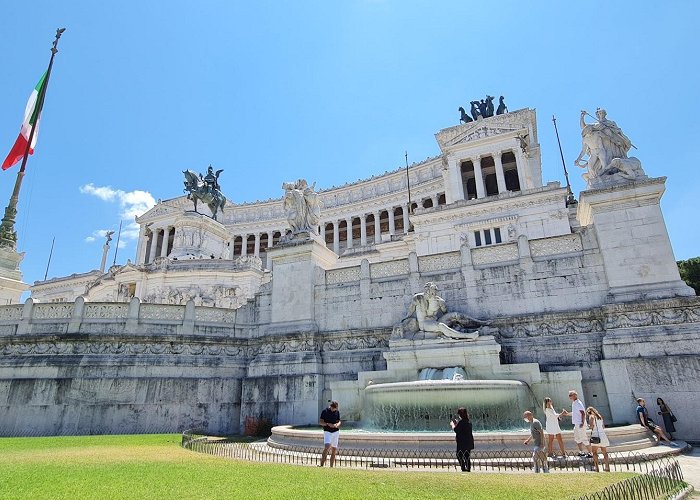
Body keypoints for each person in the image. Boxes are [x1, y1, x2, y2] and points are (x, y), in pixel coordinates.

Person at [560, 390, 592, 457]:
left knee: (584, 438)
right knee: (577, 438)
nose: (569, 397)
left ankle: (591, 453)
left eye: (570, 395)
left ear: (575, 395)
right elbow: (574, 413)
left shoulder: (578, 403)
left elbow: (583, 413)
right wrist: (567, 414)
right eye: (569, 395)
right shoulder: (574, 403)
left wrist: (582, 422)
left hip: (580, 424)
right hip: (576, 424)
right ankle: (581, 452)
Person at [586, 406, 610, 472]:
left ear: (589, 412)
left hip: (595, 435)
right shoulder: (599, 416)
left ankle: (596, 468)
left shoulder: (591, 417)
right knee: (605, 452)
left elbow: (591, 426)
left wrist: (588, 426)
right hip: (602, 435)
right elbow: (603, 426)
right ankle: (607, 467)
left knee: (594, 452)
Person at [450, 407, 474, 472]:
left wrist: (453, 425)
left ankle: (463, 468)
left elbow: (456, 430)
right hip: (469, 442)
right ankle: (468, 469)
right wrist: (457, 423)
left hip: (462, 442)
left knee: (459, 455)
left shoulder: (461, 422)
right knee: (467, 456)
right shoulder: (468, 421)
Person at [319, 401, 341, 467]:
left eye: (335, 408)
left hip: (335, 431)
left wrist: (337, 425)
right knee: (327, 447)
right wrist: (328, 424)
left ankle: (331, 466)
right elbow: (321, 422)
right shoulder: (325, 411)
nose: (334, 409)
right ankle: (321, 464)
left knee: (334, 449)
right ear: (330, 406)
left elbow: (339, 421)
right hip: (327, 431)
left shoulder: (337, 412)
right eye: (333, 408)